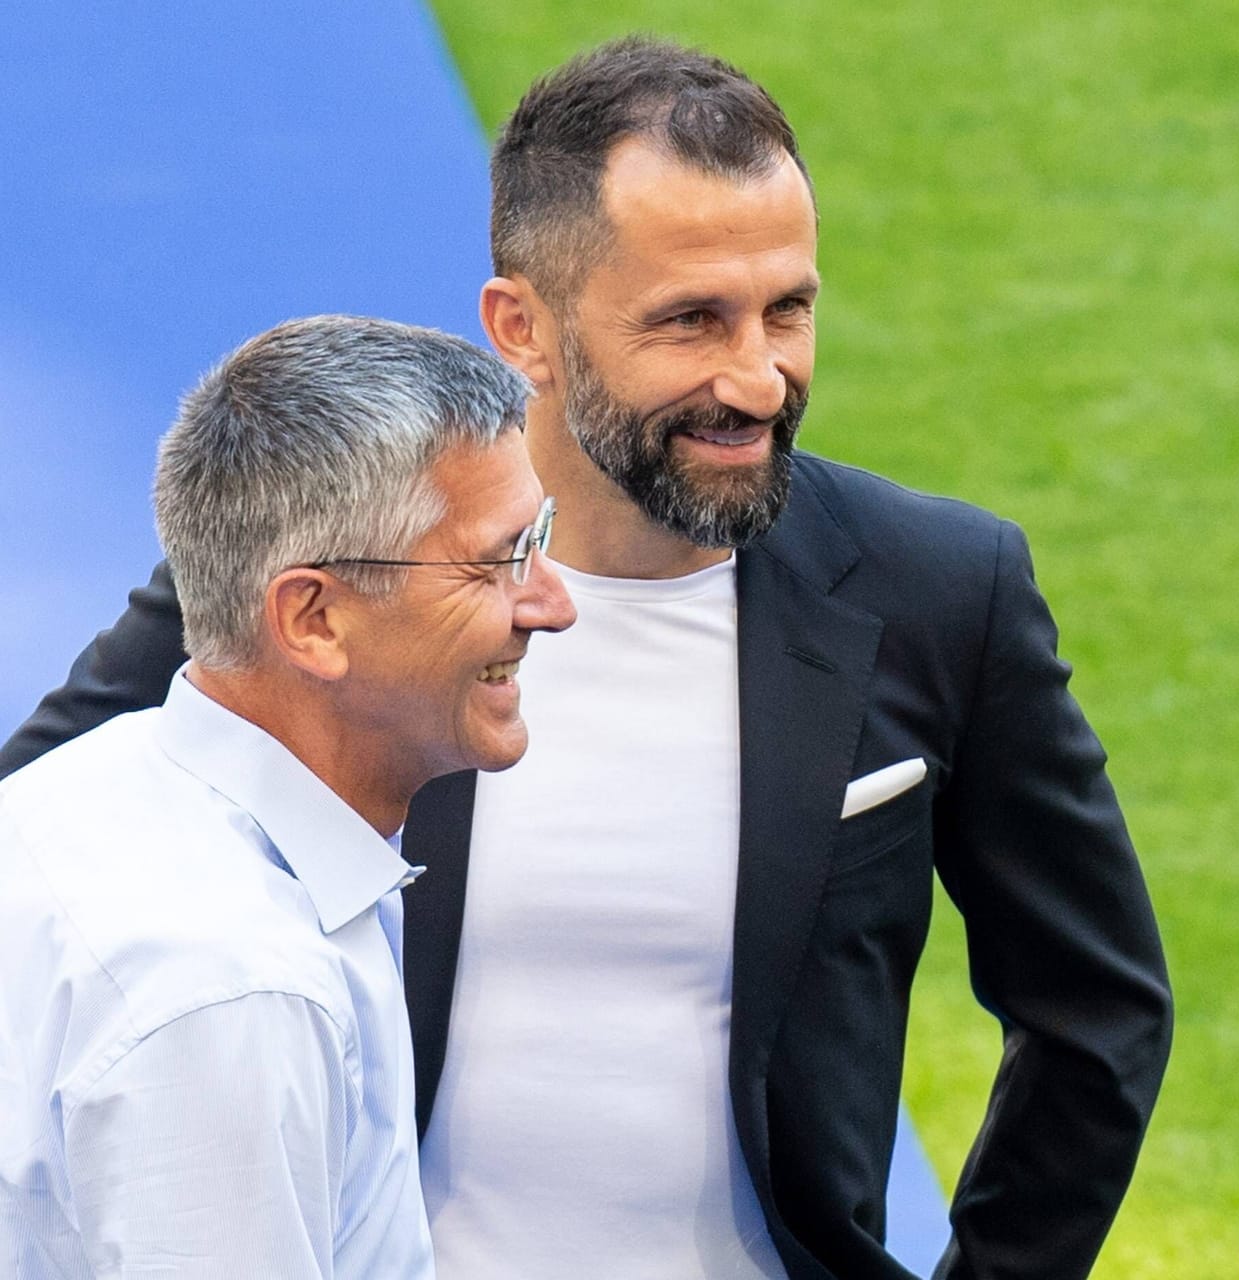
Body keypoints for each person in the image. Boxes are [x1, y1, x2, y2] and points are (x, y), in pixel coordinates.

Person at [1, 36, 1174, 1280]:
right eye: (690, 321)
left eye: (789, 307)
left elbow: (1093, 1007)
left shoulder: (938, 589)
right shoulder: (330, 564)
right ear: (526, 327)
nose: (760, 376)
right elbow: (47, 854)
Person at [0, 315, 575, 1277]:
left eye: (540, 538)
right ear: (312, 619)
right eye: (499, 558)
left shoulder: (99, 792)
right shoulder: (230, 988)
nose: (553, 602)